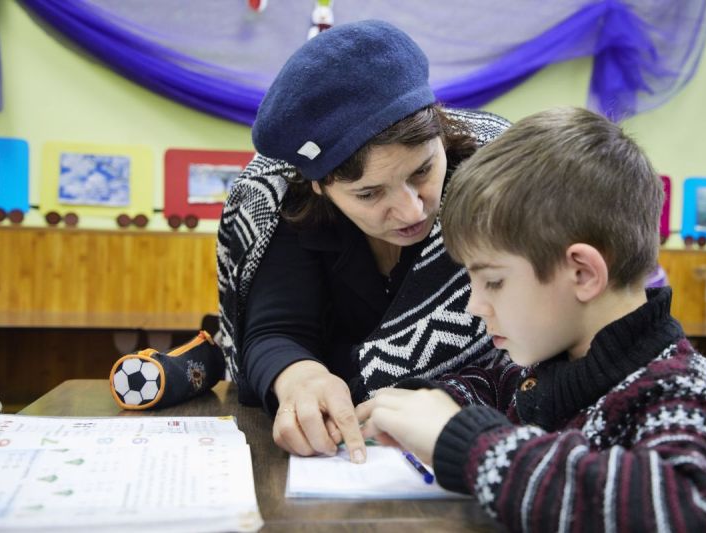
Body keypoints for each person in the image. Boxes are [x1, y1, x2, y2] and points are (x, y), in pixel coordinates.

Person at [357, 107, 706, 531]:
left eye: (493, 281)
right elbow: (493, 386)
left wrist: (465, 442)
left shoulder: (685, 395)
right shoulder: (551, 365)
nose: (474, 306)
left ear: (582, 273)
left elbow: (698, 514)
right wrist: (420, 405)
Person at [216, 19, 510, 463]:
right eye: (370, 194)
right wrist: (299, 377)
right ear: (320, 188)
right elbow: (275, 330)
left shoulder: (504, 179)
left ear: (441, 136)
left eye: (423, 171)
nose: (413, 211)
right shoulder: (285, 202)